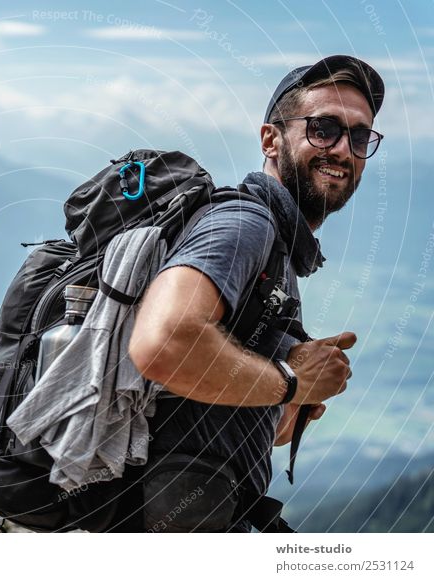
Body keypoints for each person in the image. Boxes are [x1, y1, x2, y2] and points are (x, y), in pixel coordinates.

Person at [123, 55, 385, 532]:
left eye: (360, 136)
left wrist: (287, 400)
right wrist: (290, 382)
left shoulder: (278, 251)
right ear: (271, 139)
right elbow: (160, 343)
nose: (344, 150)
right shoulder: (246, 225)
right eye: (324, 128)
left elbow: (237, 409)